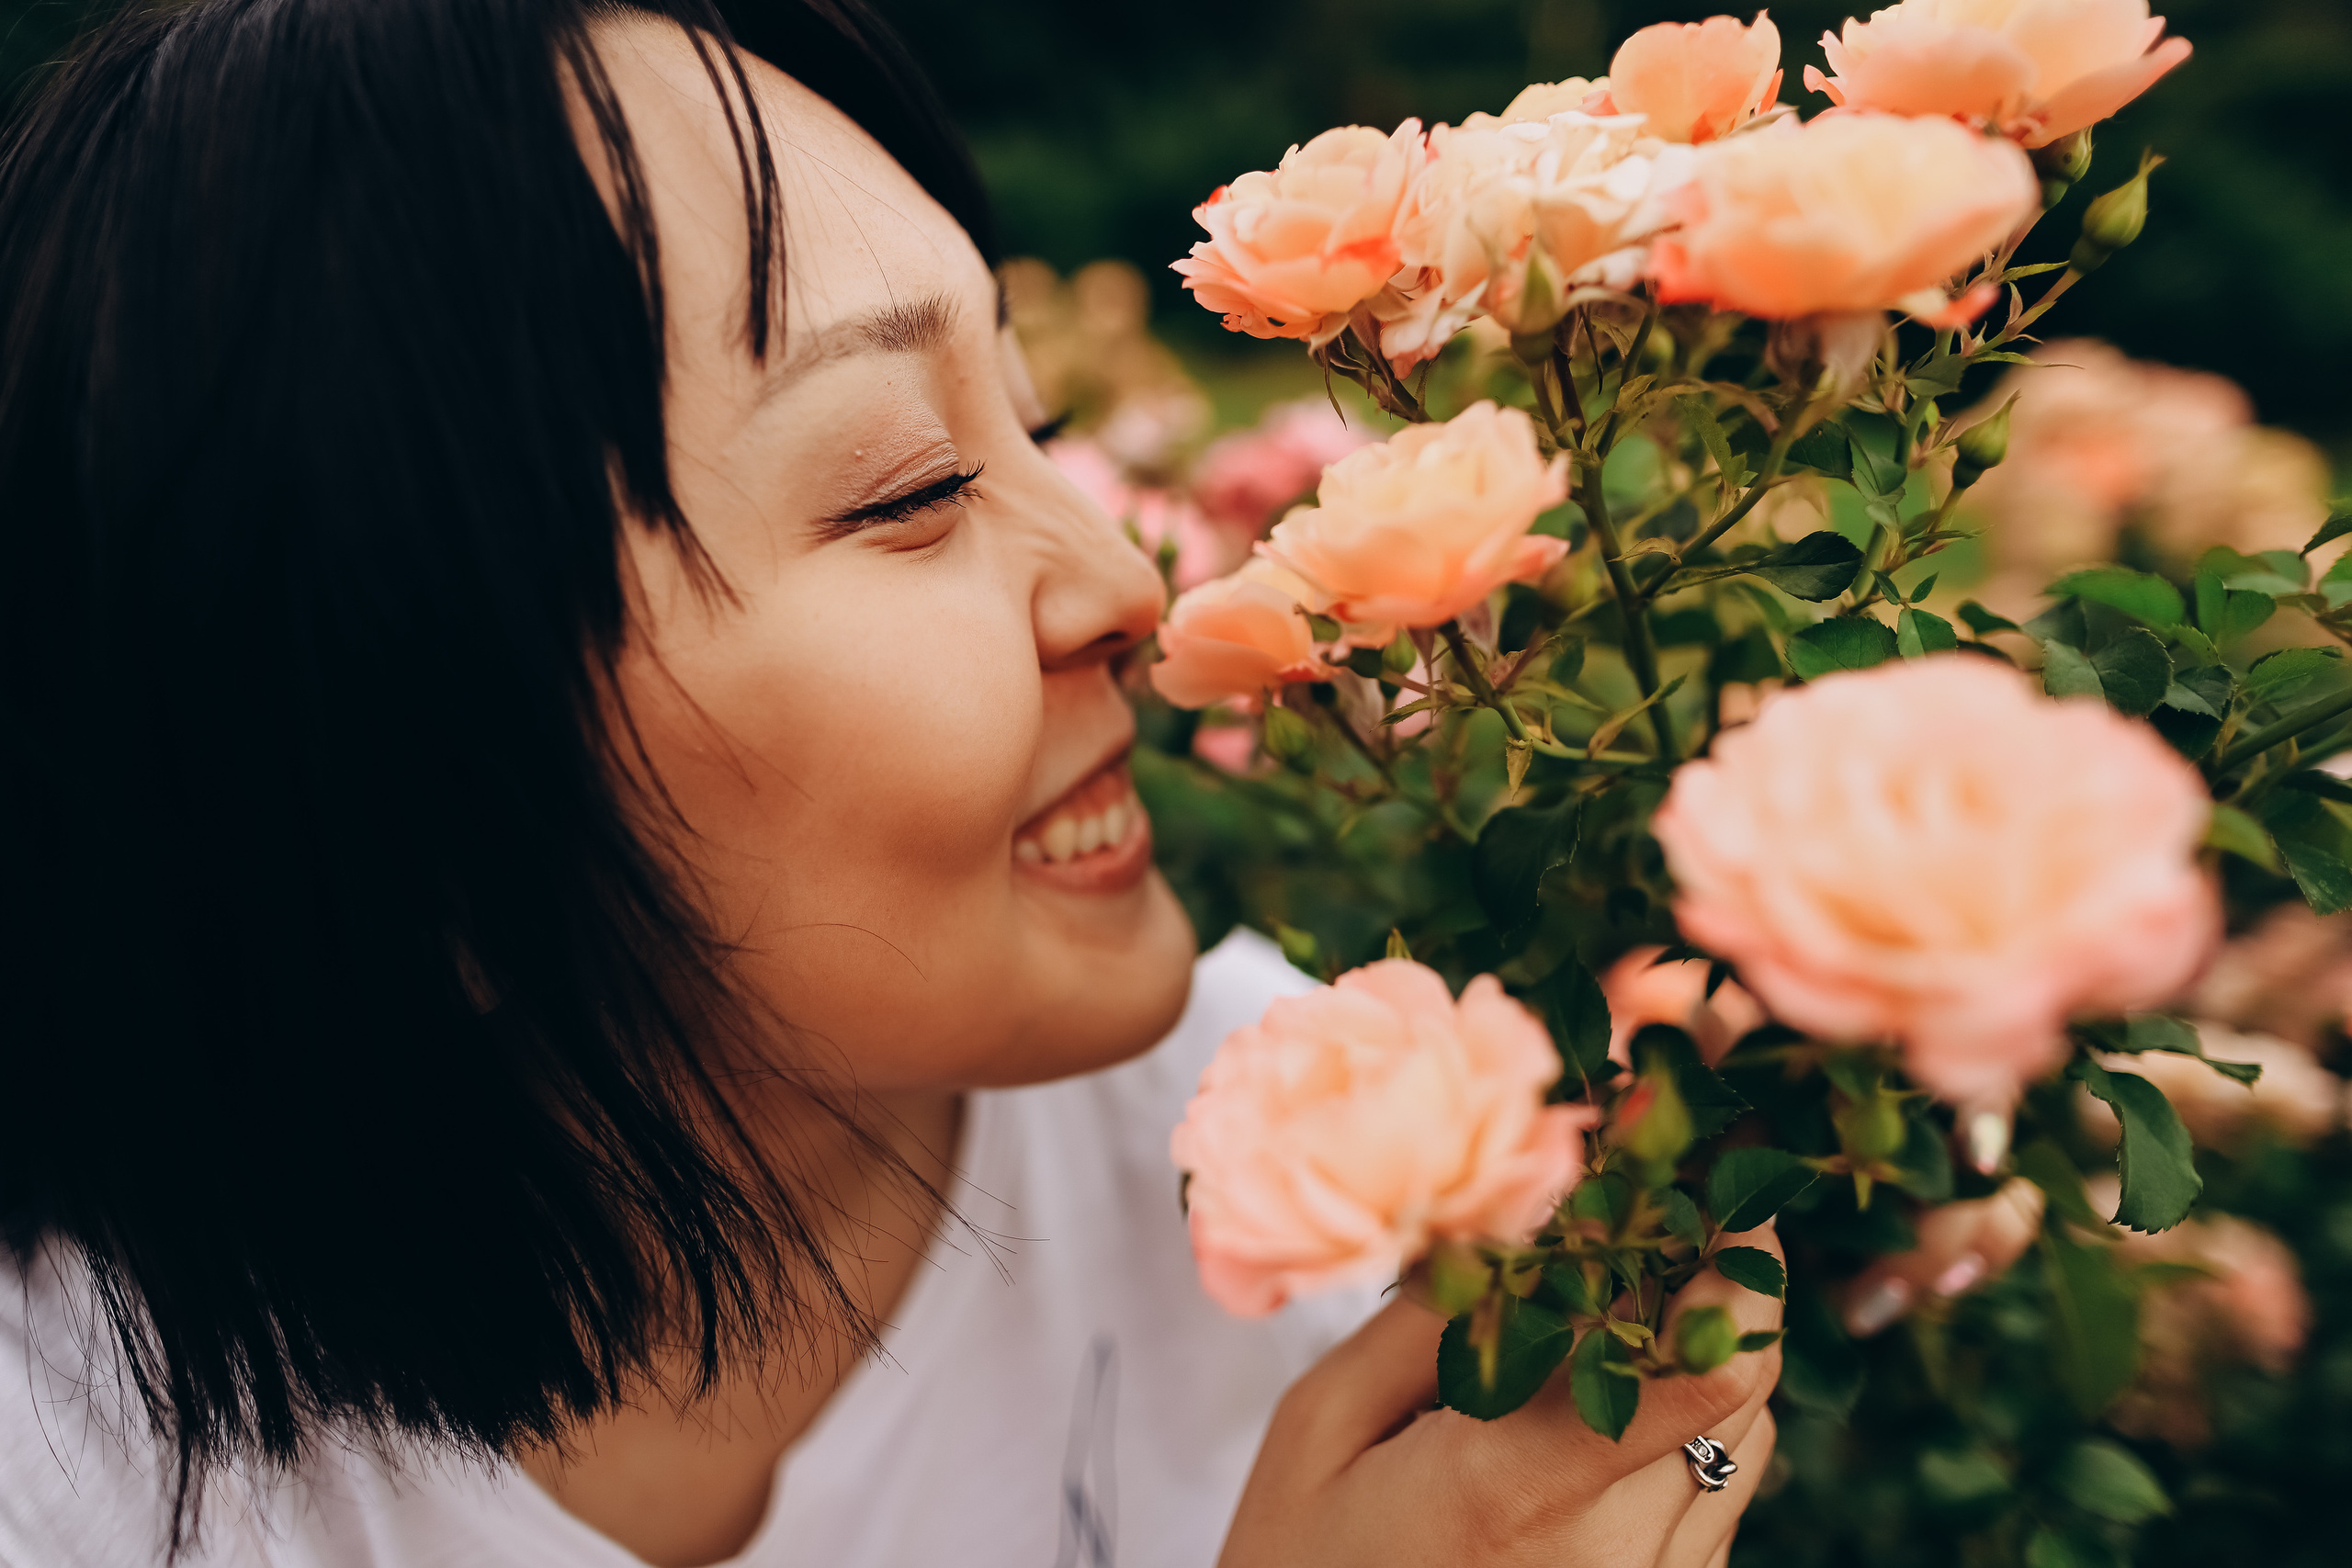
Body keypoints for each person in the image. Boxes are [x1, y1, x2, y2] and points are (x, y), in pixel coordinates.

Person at [0, 3, 1784, 1563]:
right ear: (404, 804)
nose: (1126, 582)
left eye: (1030, 417)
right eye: (909, 485)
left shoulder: (1320, 1159)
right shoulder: (63, 1471)